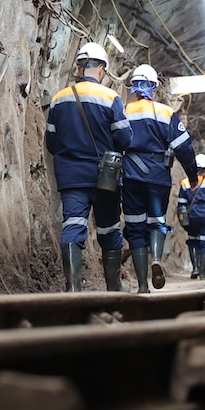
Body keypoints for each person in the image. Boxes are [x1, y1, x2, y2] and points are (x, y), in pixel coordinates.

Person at [45, 42, 132, 292]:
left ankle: (73, 288)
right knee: (109, 229)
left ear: (80, 68)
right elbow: (125, 139)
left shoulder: (58, 99)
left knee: (73, 225)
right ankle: (114, 287)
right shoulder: (110, 98)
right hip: (105, 177)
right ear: (102, 69)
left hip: (71, 176)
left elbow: (52, 142)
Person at [122, 63, 198, 292]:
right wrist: (192, 175)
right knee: (156, 220)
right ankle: (156, 258)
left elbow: (113, 141)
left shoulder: (123, 111)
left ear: (134, 88)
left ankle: (142, 285)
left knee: (135, 226)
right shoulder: (166, 113)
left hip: (130, 174)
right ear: (154, 88)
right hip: (157, 176)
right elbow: (184, 147)